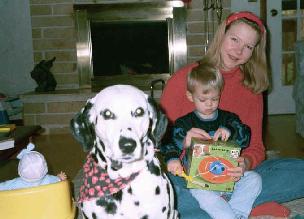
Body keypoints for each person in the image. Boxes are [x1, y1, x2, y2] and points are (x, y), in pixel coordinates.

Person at [160, 11, 304, 218]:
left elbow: (256, 148)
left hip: (234, 177)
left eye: (248, 46)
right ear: (222, 36)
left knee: (296, 171)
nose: (238, 50)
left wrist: (244, 163)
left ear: (254, 51)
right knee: (168, 192)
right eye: (234, 39)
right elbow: (156, 146)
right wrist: (183, 141)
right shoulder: (184, 79)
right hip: (188, 177)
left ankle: (225, 208)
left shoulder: (251, 88)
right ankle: (245, 208)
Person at [165, 58, 261, 219]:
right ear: (190, 96)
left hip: (229, 177)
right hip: (200, 182)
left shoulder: (228, 118)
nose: (209, 104)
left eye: (215, 99)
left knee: (254, 179)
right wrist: (173, 158)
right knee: (186, 190)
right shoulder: (184, 123)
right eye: (203, 100)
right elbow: (168, 144)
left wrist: (230, 129)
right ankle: (228, 214)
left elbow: (245, 136)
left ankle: (235, 213)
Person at [0, 143, 67, 191]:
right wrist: (60, 177)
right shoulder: (49, 179)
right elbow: (59, 180)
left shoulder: (15, 183)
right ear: (45, 168)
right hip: (45, 207)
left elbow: (2, 187)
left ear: (20, 169)